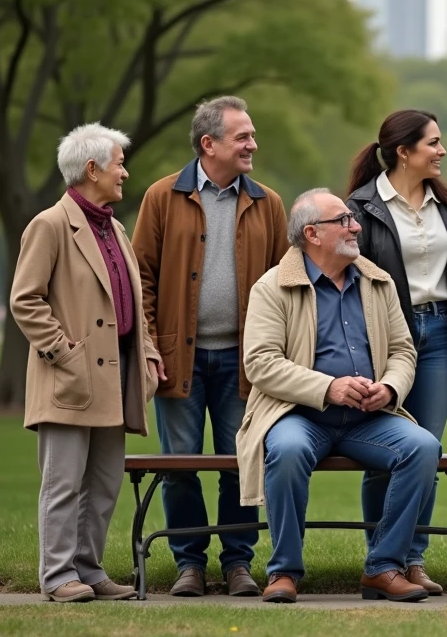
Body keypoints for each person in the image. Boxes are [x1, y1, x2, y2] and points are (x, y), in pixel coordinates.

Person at [237, 189, 440, 604]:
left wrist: (389, 387)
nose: (356, 226)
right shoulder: (272, 286)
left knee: (422, 447)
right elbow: (260, 362)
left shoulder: (377, 281)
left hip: (369, 417)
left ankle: (383, 567)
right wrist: (327, 388)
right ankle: (284, 572)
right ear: (312, 233)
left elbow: (403, 350)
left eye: (352, 218)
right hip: (298, 415)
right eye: (344, 220)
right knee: (288, 450)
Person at [131, 97, 289, 597]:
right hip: (179, 360)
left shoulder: (269, 203)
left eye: (252, 135)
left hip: (246, 363)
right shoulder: (161, 197)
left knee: (243, 463)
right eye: (242, 137)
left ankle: (238, 563)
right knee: (179, 463)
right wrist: (152, 347)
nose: (252, 145)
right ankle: (189, 564)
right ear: (209, 144)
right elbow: (142, 281)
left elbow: (287, 284)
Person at [10, 124, 164, 603]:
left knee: (102, 482)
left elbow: (131, 304)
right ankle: (58, 577)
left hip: (115, 374)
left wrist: (150, 355)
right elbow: (25, 300)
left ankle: (89, 570)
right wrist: (63, 352)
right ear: (91, 168)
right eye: (119, 162)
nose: (125, 171)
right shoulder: (49, 224)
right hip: (71, 378)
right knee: (63, 483)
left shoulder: (114, 226)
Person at [346, 109, 447, 594]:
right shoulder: (361, 208)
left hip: (441, 335)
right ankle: (380, 561)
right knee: (387, 448)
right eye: (433, 143)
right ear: (404, 152)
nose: (442, 151)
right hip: (385, 340)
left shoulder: (446, 203)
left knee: (427, 448)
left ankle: (411, 559)